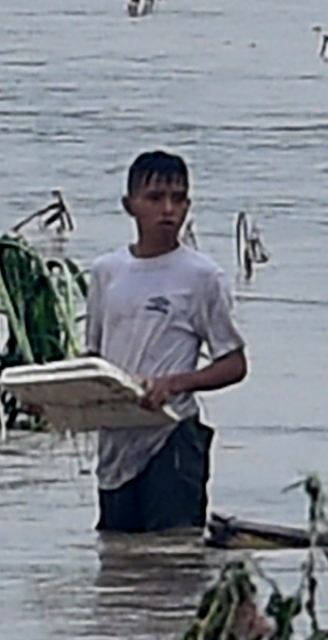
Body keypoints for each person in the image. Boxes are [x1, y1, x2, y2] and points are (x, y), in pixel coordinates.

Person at [83, 149, 249, 536]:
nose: (168, 210)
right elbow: (93, 360)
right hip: (115, 445)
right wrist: (53, 401)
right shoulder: (106, 272)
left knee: (173, 561)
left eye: (178, 198)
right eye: (155, 198)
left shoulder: (202, 277)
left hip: (172, 439)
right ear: (130, 205)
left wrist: (172, 384)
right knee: (119, 562)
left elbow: (234, 363)